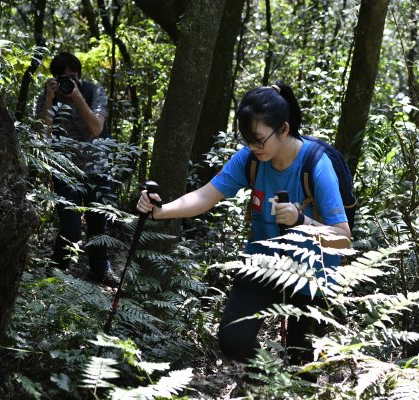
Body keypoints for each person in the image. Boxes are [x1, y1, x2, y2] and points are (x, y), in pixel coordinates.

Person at [136, 81, 351, 362]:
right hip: (263, 261)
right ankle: (268, 375)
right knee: (233, 339)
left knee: (301, 359)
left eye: (258, 139)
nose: (252, 147)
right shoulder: (249, 159)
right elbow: (205, 196)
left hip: (311, 272)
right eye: (247, 139)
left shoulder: (317, 166)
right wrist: (160, 211)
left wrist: (301, 221)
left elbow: (343, 238)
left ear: (284, 129)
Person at [36, 51, 117, 286]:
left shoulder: (94, 91)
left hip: (97, 168)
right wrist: (50, 98)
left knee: (98, 227)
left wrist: (78, 96)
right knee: (70, 229)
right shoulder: (47, 96)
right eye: (63, 77)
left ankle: (100, 272)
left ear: (79, 76)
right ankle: (55, 274)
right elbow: (43, 135)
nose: (68, 82)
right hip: (65, 170)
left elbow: (96, 127)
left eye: (72, 77)